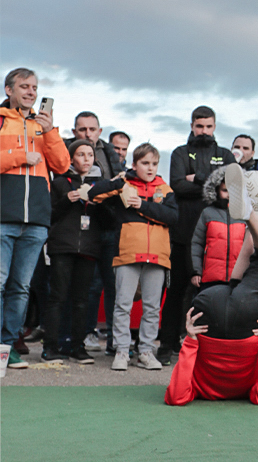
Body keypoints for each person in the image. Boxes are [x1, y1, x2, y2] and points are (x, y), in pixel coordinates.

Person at [165, 166, 258, 407]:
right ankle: (252, 216)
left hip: (245, 320)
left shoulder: (243, 390)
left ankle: (252, 217)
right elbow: (176, 395)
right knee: (256, 264)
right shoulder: (198, 388)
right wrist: (190, 339)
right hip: (210, 307)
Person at [1, 68, 71, 366]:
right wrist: (20, 156)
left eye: (35, 87)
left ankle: (6, 347)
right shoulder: (2, 120)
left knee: (20, 287)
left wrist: (51, 131)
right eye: (24, 86)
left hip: (36, 222)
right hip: (3, 216)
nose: (31, 92)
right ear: (8, 90)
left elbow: (63, 165)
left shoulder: (44, 127)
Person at [89, 143, 178, 371]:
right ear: (134, 164)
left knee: (151, 307)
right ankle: (121, 350)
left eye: (154, 164)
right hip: (127, 253)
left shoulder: (165, 189)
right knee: (122, 304)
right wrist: (119, 182)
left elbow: (173, 217)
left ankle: (146, 351)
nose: (150, 168)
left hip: (157, 256)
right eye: (145, 163)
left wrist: (143, 206)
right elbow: (93, 194)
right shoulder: (124, 184)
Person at [159, 107, 234, 363]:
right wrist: (213, 183)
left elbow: (232, 184)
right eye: (200, 126)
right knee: (175, 292)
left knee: (213, 295)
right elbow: (178, 185)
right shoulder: (180, 152)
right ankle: (166, 345)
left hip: (218, 239)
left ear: (215, 127)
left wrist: (198, 178)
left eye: (209, 127)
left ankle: (210, 348)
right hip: (182, 235)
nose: (204, 131)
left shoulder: (224, 154)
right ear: (192, 125)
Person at [68, 113, 125, 358]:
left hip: (111, 224)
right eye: (82, 129)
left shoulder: (111, 154)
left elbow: (121, 183)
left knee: (113, 285)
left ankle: (114, 339)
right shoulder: (68, 153)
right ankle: (87, 334)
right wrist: (105, 187)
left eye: (92, 129)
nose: (87, 134)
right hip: (83, 225)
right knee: (89, 286)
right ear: (75, 131)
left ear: (100, 131)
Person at [41, 139, 103, 365]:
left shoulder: (101, 185)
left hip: (88, 247)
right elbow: (49, 215)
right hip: (62, 246)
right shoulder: (60, 182)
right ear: (71, 158)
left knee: (81, 299)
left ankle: (77, 346)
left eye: (90, 154)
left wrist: (100, 204)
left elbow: (109, 222)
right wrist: (67, 200)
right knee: (57, 297)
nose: (86, 159)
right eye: (81, 154)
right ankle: (50, 346)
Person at [190, 168, 248, 289]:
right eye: (225, 190)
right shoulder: (208, 213)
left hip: (239, 278)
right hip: (210, 278)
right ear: (216, 190)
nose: (229, 194)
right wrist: (196, 271)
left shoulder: (245, 215)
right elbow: (197, 244)